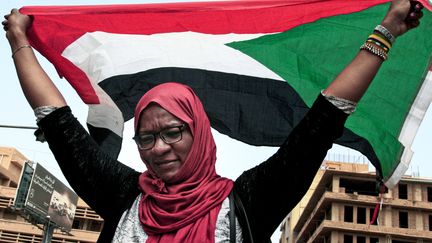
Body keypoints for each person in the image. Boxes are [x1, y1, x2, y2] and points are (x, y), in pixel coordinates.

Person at [2, 0, 424, 242]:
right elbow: (59, 124)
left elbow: (321, 124)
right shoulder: (123, 199)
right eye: (146, 138)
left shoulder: (246, 205)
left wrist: (384, 33)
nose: (159, 148)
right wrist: (20, 41)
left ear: (199, 132)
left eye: (172, 132)